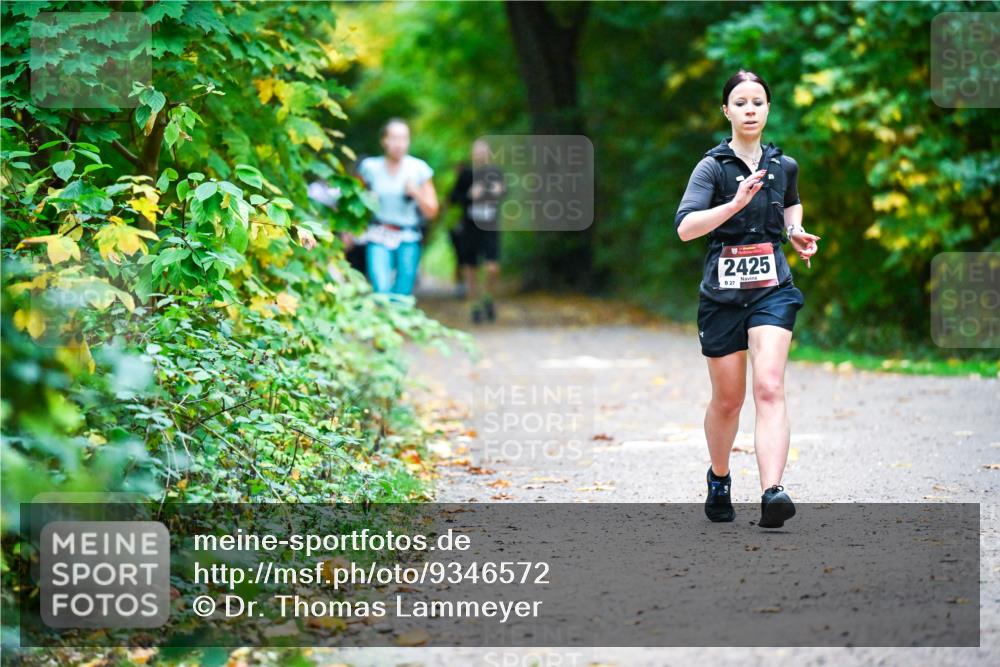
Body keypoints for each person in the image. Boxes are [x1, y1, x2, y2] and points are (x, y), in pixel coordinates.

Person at [674, 70, 821, 529]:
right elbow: (685, 228)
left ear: (768, 109)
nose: (750, 109)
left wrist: (794, 232)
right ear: (727, 111)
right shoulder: (712, 168)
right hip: (721, 296)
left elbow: (790, 203)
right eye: (741, 102)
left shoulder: (783, 165)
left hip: (771, 289)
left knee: (770, 386)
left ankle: (772, 491)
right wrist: (734, 204)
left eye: (758, 101)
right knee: (729, 400)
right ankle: (719, 478)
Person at [355, 118, 439, 297]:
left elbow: (432, 211)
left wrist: (416, 193)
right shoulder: (369, 168)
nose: (399, 144)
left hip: (408, 236)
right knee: (381, 289)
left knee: (403, 293)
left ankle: (399, 323)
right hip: (378, 234)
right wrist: (366, 200)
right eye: (394, 138)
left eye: (404, 138)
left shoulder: (419, 169)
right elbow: (352, 202)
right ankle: (383, 321)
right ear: (384, 141)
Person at [448, 138, 505, 323]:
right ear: (472, 154)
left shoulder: (495, 173)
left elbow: (505, 192)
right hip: (470, 227)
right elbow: (453, 197)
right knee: (470, 268)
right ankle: (475, 306)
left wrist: (499, 191)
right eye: (477, 151)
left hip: (490, 227)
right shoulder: (466, 174)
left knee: (492, 267)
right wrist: (469, 195)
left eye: (483, 151)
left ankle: (488, 298)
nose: (480, 154)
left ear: (488, 154)